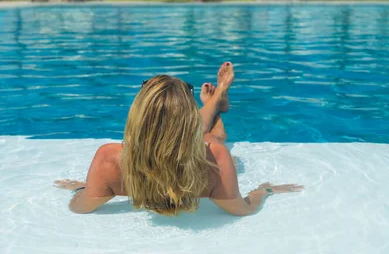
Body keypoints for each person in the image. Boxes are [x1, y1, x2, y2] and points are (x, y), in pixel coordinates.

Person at [55, 62, 303, 216]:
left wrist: (82, 188)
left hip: (188, 144)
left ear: (138, 116)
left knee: (212, 135)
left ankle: (216, 101)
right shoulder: (215, 157)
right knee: (214, 136)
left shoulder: (109, 158)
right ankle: (217, 101)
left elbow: (79, 207)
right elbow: (243, 209)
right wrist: (264, 190)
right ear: (189, 120)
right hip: (198, 149)